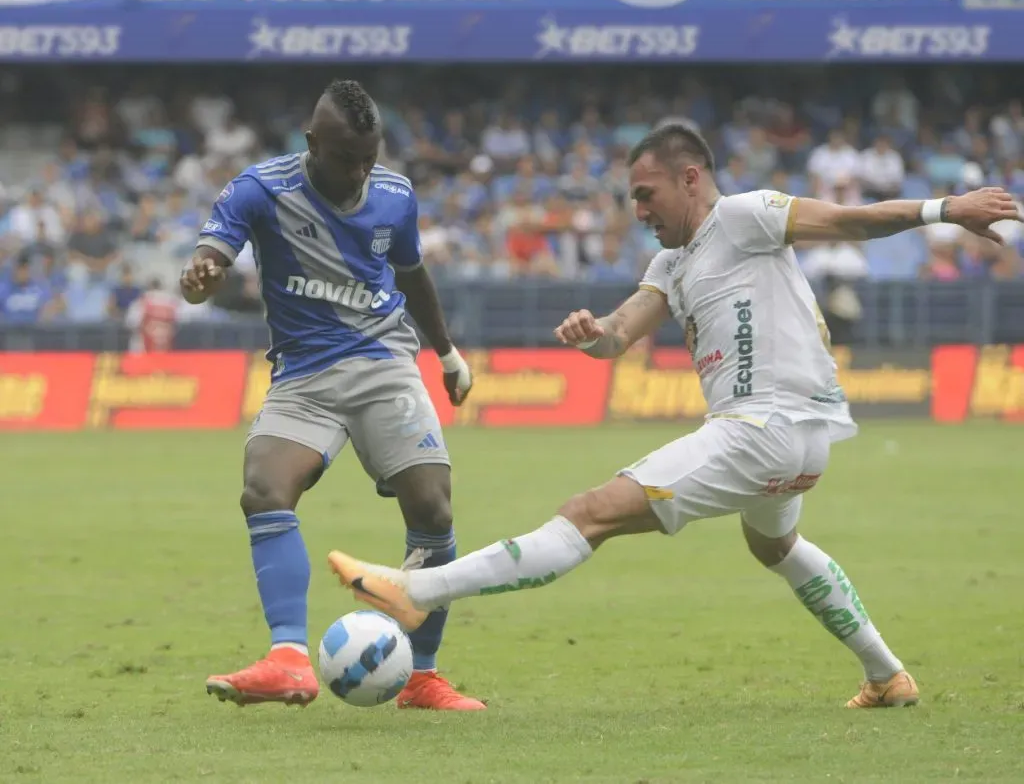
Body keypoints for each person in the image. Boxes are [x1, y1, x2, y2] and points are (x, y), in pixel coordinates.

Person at [326, 123, 1020, 709]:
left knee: (590, 512)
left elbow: (847, 221)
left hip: (762, 431)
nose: (638, 209)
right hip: (800, 441)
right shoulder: (670, 262)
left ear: (690, 179)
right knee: (774, 545)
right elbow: (619, 334)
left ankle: (418, 590)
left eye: (645, 193)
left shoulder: (744, 215)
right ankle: (886, 674)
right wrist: (592, 332)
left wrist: (944, 208)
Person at [180, 79, 486, 711]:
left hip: (383, 363)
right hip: (304, 376)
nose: (359, 173)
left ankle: (422, 677)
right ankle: (288, 660)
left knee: (433, 510)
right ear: (312, 143)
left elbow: (412, 275)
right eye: (347, 159)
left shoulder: (395, 196)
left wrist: (448, 354)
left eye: (369, 159)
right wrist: (201, 276)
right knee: (263, 489)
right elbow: (209, 260)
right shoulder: (260, 189)